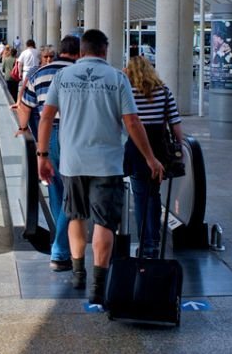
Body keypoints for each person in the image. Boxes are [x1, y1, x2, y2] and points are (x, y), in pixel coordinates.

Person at [38, 29, 163, 307]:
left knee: (76, 216)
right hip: (107, 163)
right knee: (105, 221)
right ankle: (98, 283)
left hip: (72, 161)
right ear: (104, 50)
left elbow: (46, 118)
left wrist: (42, 155)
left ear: (82, 51)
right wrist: (150, 158)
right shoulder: (117, 78)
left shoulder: (62, 76)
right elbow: (132, 122)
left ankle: (78, 273)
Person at [17, 37, 79, 272]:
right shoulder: (77, 72)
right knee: (73, 193)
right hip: (73, 132)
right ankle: (60, 249)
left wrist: (23, 130)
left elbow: (25, 107)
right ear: (79, 53)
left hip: (48, 134)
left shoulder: (39, 74)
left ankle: (60, 242)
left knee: (56, 189)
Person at [124, 55, 184, 258]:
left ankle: (146, 243)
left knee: (140, 197)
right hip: (159, 146)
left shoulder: (128, 91)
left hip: (137, 145)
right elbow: (175, 121)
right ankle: (155, 240)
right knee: (154, 194)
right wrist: (180, 147)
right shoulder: (163, 90)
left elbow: (126, 120)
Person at [15, 39, 40, 106]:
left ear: (27, 45)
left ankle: (26, 102)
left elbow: (19, 63)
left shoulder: (24, 52)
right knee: (36, 87)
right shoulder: (38, 52)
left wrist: (20, 73)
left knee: (25, 87)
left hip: (26, 72)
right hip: (37, 71)